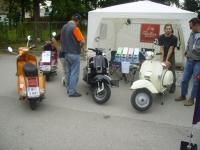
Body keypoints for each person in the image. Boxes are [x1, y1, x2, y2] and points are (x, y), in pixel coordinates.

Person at [175, 18, 200, 106]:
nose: (190, 28)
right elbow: (189, 43)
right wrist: (186, 51)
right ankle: (183, 95)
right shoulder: (192, 33)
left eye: (191, 27)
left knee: (196, 81)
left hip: (198, 62)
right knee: (184, 79)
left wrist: (193, 51)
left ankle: (192, 99)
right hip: (189, 61)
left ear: (197, 25)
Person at [60, 13, 85, 97]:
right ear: (77, 20)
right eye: (78, 22)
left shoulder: (64, 27)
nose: (78, 23)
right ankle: (72, 92)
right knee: (74, 73)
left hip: (65, 54)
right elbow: (82, 41)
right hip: (74, 54)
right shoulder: (75, 28)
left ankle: (68, 89)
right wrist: (82, 46)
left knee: (68, 72)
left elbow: (61, 39)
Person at [158, 24, 178, 93]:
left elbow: (171, 49)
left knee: (172, 71)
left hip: (171, 56)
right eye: (167, 28)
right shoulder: (160, 37)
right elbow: (161, 48)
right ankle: (162, 84)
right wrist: (162, 60)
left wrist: (167, 60)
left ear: (171, 29)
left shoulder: (174, 38)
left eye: (169, 29)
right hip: (163, 55)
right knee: (162, 69)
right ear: (164, 29)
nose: (168, 30)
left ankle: (173, 86)